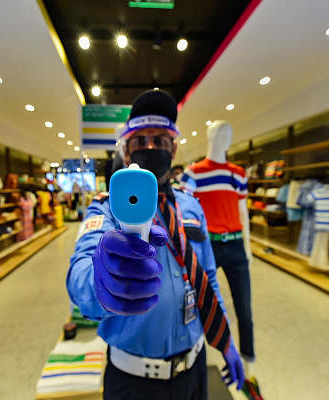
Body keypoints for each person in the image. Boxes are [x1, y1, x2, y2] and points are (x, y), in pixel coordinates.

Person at [67, 90, 245, 400]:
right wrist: (102, 280)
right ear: (125, 151)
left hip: (195, 370)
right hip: (133, 383)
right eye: (140, 141)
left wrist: (226, 338)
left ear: (174, 149)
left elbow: (209, 278)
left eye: (160, 140)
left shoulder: (191, 207)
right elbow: (79, 275)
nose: (151, 148)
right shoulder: (105, 209)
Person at [181, 121, 255, 367]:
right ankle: (198, 351)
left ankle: (247, 357)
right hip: (207, 246)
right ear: (209, 137)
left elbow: (243, 211)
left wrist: (248, 246)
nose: (224, 138)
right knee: (201, 301)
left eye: (228, 134)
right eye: (219, 133)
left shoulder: (238, 173)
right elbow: (183, 210)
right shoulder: (193, 174)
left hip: (234, 245)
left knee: (244, 305)